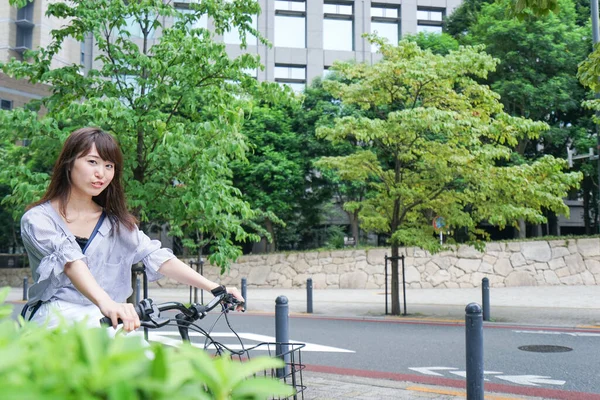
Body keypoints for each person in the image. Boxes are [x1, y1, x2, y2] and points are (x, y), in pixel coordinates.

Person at [20, 127, 244, 332]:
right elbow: (71, 263)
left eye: (109, 166)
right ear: (68, 163)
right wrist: (108, 304)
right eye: (92, 162)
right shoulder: (38, 219)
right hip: (58, 319)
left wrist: (215, 288)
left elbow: (156, 256)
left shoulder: (117, 223)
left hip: (110, 321)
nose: (102, 173)